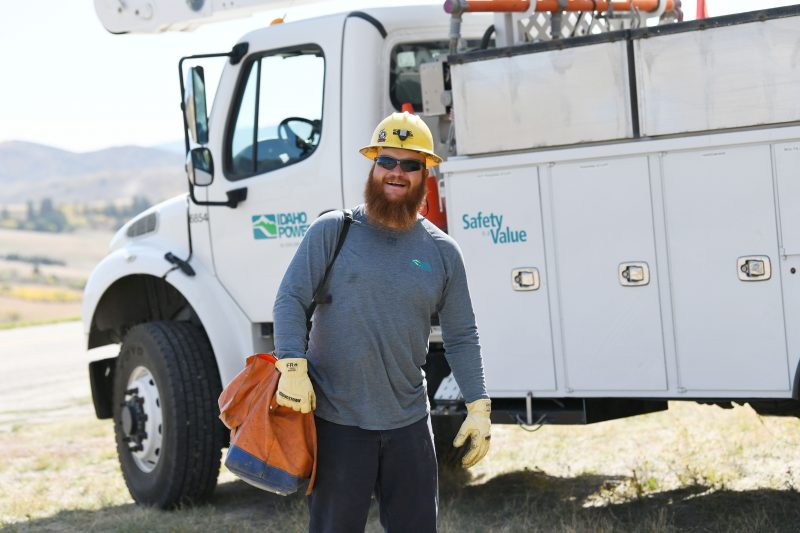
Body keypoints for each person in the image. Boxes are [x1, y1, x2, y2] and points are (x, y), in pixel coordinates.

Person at [272, 111, 491, 533]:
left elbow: (463, 335)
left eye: (410, 164)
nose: (397, 172)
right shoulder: (333, 231)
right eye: (387, 161)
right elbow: (290, 299)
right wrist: (292, 365)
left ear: (424, 173)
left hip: (408, 425)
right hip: (338, 423)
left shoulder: (442, 252)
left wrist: (478, 406)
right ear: (373, 166)